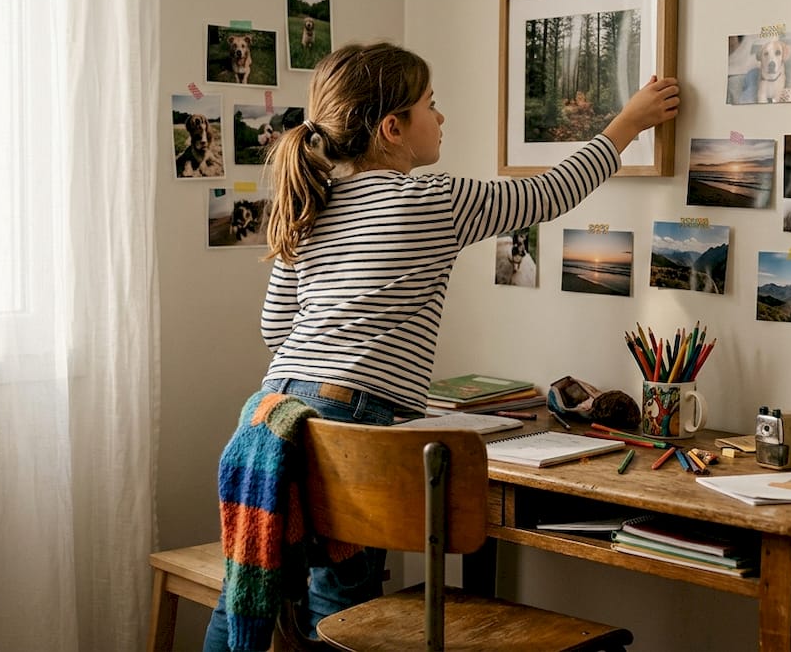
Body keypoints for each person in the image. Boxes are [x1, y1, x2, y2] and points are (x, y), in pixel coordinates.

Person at [203, 41, 679, 651]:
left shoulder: (310, 205)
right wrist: (627, 124)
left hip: (274, 414)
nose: (443, 117)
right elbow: (549, 194)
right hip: (355, 421)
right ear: (393, 128)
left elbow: (276, 329)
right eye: (433, 104)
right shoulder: (432, 198)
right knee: (341, 609)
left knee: (246, 591)